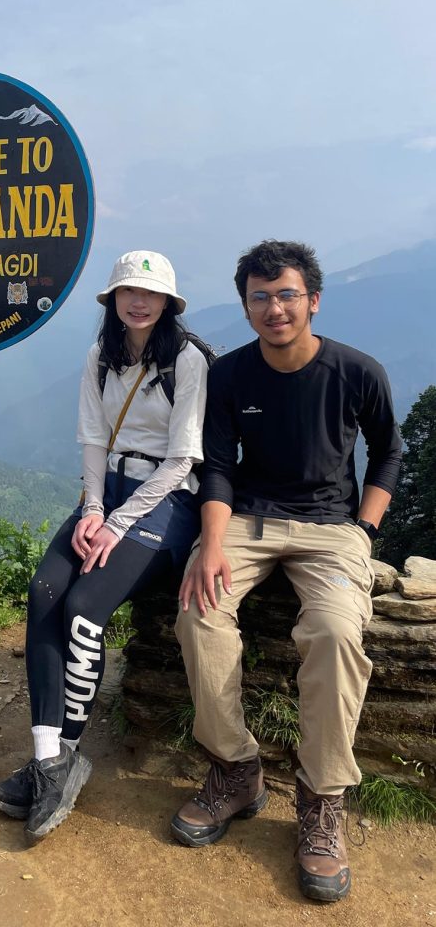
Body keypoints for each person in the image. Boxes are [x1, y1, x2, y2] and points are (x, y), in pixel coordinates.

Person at [172, 240, 402, 903]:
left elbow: (387, 450)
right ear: (245, 307)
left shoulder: (356, 371)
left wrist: (364, 529)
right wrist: (211, 545)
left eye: (286, 295)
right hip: (245, 520)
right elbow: (215, 464)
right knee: (198, 610)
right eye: (260, 297)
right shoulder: (233, 375)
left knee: (334, 632)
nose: (274, 309)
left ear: (312, 300)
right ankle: (234, 767)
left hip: (331, 528)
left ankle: (321, 798)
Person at [0, 251, 209, 844]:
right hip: (108, 490)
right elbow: (91, 440)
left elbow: (184, 458)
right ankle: (48, 759)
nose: (137, 302)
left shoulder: (186, 362)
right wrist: (92, 511)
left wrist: (117, 523)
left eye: (150, 293)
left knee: (84, 608)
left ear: (167, 303)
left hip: (165, 502)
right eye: (126, 292)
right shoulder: (100, 358)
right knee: (45, 592)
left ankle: (66, 751)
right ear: (112, 301)